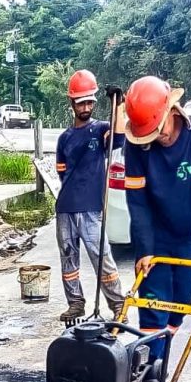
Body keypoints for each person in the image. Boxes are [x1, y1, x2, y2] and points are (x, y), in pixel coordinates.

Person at [124, 75, 191, 382]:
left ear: (172, 109)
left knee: (179, 306)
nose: (159, 137)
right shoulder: (136, 145)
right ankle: (152, 369)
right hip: (154, 237)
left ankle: (157, 357)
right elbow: (136, 202)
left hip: (186, 239)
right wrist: (144, 248)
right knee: (152, 307)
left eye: (160, 129)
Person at [55, 69, 126, 322]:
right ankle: (76, 303)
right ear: (72, 102)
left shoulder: (101, 130)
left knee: (102, 258)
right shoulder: (64, 138)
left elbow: (118, 139)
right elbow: (61, 172)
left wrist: (118, 105)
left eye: (90, 102)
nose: (86, 107)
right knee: (68, 259)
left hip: (91, 208)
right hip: (65, 207)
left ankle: (118, 306)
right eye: (81, 101)